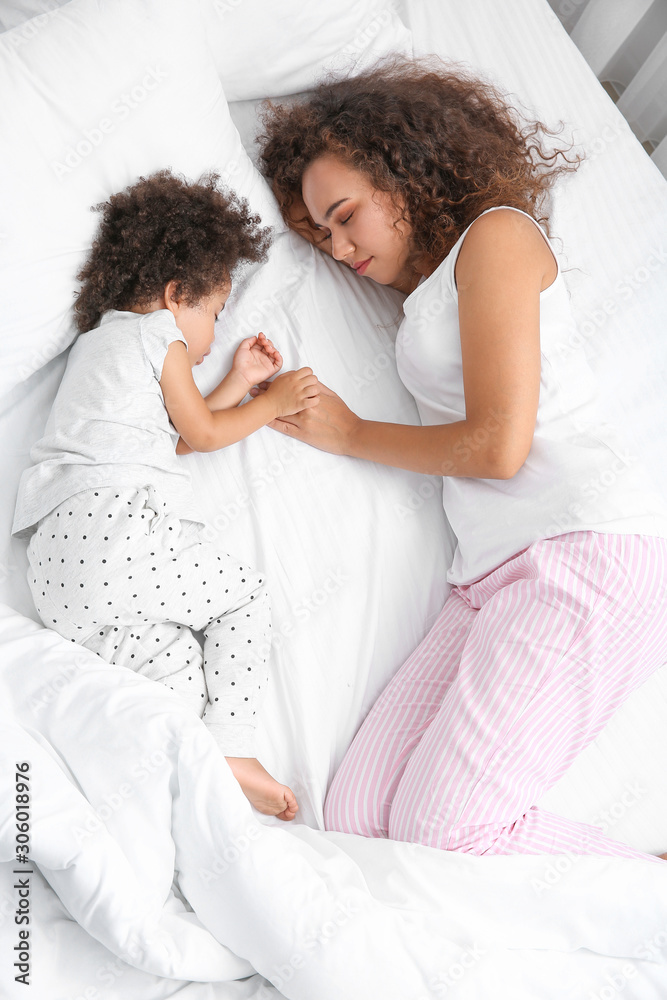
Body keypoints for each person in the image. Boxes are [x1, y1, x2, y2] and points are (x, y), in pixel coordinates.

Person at [254, 55, 667, 860]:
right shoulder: (425, 293)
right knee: (359, 821)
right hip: (487, 575)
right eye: (320, 234)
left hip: (585, 547)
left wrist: (348, 435)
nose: (338, 248)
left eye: (344, 216)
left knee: (448, 832)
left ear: (404, 176)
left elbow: (499, 446)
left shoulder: (497, 238)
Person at [12, 169, 320, 821]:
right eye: (213, 312)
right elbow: (202, 435)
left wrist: (238, 378)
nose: (211, 332)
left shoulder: (97, 345)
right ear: (177, 294)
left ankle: (178, 787)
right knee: (244, 596)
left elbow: (171, 438)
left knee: (174, 662)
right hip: (116, 531)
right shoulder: (160, 337)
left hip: (58, 570)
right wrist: (276, 404)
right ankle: (234, 749)